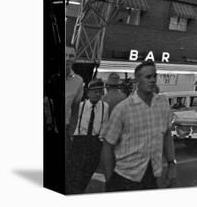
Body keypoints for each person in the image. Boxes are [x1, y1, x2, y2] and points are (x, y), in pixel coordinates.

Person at [101, 61, 177, 192]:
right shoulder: (123, 109)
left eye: (155, 76)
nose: (153, 80)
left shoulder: (163, 103)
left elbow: (166, 134)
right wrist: (110, 181)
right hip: (125, 177)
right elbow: (108, 146)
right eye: (148, 77)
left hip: (152, 175)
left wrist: (171, 164)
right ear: (137, 80)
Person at [67, 78, 110, 194]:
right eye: (95, 91)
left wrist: (101, 139)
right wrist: (72, 136)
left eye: (100, 91)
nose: (97, 94)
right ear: (88, 92)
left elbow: (105, 124)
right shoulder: (80, 106)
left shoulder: (105, 106)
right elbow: (73, 121)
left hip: (94, 142)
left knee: (88, 170)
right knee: (75, 172)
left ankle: (80, 190)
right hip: (80, 141)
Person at [65, 46, 84, 138]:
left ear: (75, 59)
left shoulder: (78, 81)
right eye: (65, 55)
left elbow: (75, 109)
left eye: (71, 56)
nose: (67, 58)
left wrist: (72, 131)